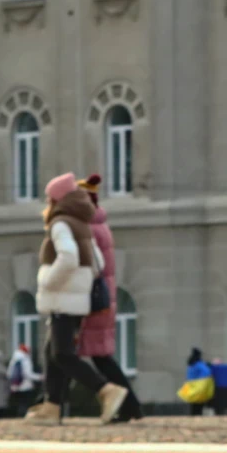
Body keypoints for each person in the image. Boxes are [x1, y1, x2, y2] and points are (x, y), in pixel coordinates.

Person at [25, 173, 129, 426]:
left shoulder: (60, 223)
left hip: (63, 298)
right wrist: (81, 283)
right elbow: (99, 263)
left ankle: (106, 390)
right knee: (52, 352)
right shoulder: (81, 222)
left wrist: (49, 279)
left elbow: (69, 257)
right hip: (76, 300)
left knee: (63, 354)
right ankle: (52, 406)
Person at [76, 174, 144, 423]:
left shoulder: (89, 228)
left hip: (94, 301)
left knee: (94, 357)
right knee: (100, 357)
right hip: (104, 299)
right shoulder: (100, 224)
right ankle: (131, 407)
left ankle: (129, 406)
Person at [8, 343, 42, 417]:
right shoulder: (25, 359)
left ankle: (20, 416)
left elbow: (9, 374)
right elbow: (28, 374)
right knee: (25, 404)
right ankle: (23, 417)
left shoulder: (13, 359)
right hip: (25, 386)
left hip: (15, 386)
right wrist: (39, 377)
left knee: (20, 404)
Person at [185, 348, 213, 417]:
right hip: (199, 387)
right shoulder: (199, 364)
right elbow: (207, 372)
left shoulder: (190, 364)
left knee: (193, 406)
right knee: (199, 407)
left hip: (191, 387)